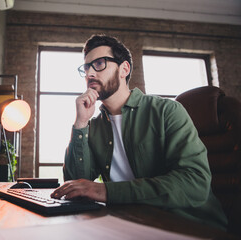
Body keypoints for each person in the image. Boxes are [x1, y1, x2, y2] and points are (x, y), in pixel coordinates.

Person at [51, 34, 227, 230]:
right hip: (131, 223)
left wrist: (107, 192)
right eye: (86, 67)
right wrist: (80, 123)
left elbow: (195, 183)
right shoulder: (94, 126)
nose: (90, 73)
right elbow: (75, 181)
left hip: (190, 226)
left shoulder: (166, 111)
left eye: (99, 64)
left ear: (124, 69)